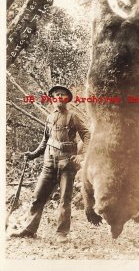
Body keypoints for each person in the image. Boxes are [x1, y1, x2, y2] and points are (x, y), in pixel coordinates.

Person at [10, 85, 90, 242]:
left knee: (64, 200)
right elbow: (45, 141)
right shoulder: (49, 117)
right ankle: (29, 229)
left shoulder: (72, 116)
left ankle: (62, 233)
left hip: (67, 164)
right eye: (56, 95)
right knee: (37, 196)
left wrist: (82, 155)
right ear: (52, 99)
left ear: (67, 99)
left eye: (62, 95)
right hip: (49, 164)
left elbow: (87, 134)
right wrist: (33, 154)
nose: (59, 97)